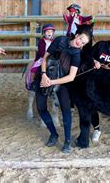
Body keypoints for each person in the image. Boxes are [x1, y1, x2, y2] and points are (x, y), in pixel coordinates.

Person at [37, 26, 92, 154]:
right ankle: (53, 134)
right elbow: (45, 57)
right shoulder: (60, 40)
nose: (80, 43)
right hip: (47, 74)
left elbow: (71, 77)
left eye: (83, 43)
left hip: (62, 82)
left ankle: (67, 141)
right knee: (40, 107)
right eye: (81, 39)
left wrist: (52, 82)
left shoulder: (77, 55)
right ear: (77, 35)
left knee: (66, 109)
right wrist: (44, 75)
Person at [25, 23, 55, 91]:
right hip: (42, 58)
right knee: (34, 68)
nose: (49, 33)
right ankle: (32, 82)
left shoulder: (54, 41)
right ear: (44, 33)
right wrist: (47, 55)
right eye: (47, 32)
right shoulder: (41, 42)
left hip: (52, 58)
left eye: (51, 31)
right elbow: (41, 52)